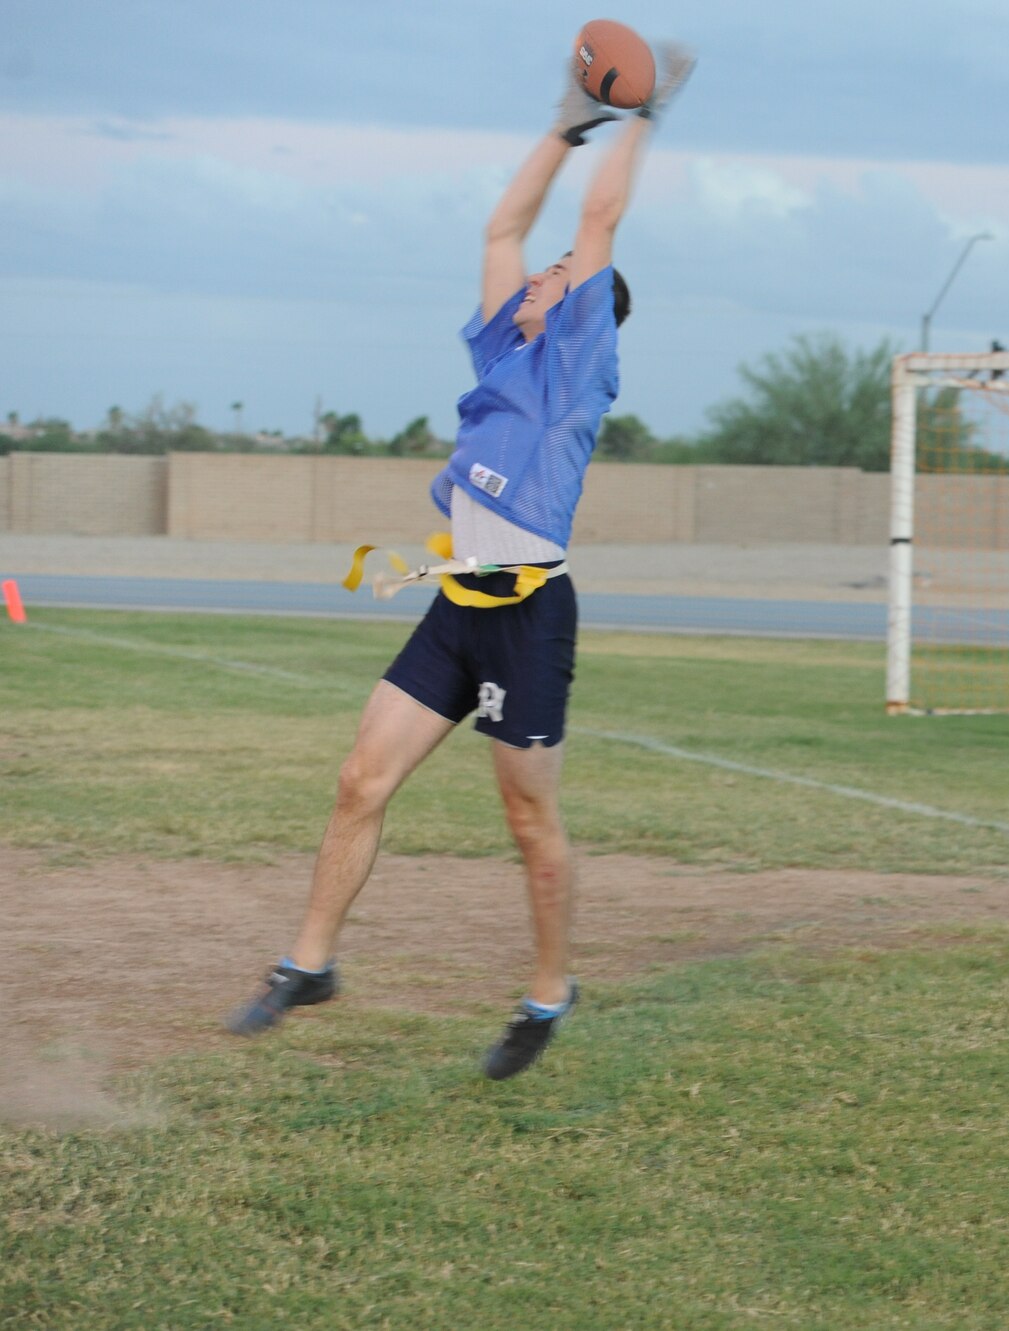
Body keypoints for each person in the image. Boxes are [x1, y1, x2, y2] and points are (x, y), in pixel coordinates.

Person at [224, 47, 695, 1080]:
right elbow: (502, 227)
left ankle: (548, 992)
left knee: (529, 818)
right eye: (544, 273)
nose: (540, 273)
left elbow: (595, 228)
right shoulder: (502, 349)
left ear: (582, 309)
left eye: (559, 277)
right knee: (360, 778)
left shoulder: (575, 369)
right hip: (456, 607)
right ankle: (309, 963)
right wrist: (567, 127)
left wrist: (644, 115)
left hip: (528, 615)